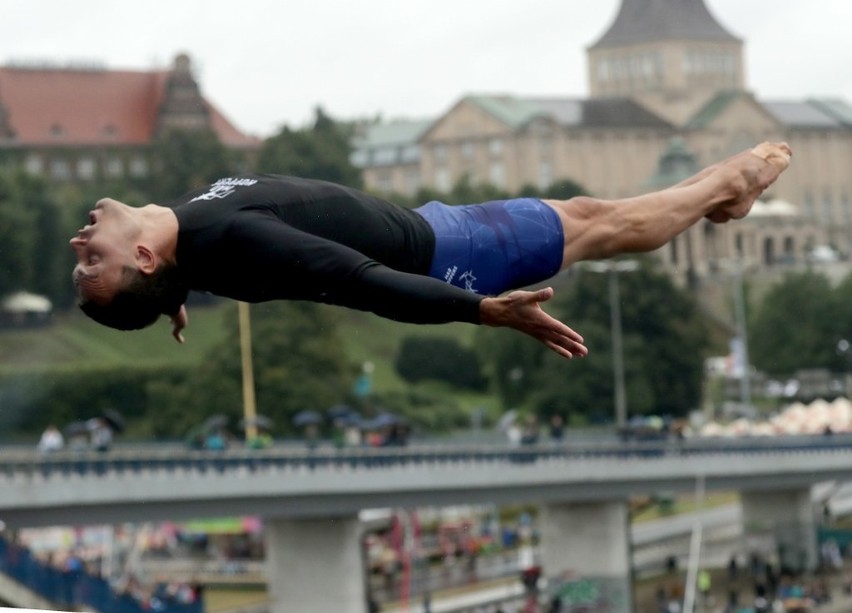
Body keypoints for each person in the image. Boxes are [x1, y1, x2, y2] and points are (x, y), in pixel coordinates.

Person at [69, 143, 791, 358]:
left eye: (81, 257)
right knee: (602, 227)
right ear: (143, 255)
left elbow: (189, 273)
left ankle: (720, 193)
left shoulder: (192, 240)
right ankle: (732, 182)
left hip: (435, 226)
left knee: (593, 217)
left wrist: (173, 296)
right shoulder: (224, 239)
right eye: (91, 262)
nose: (79, 242)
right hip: (453, 255)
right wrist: (477, 309)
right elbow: (359, 280)